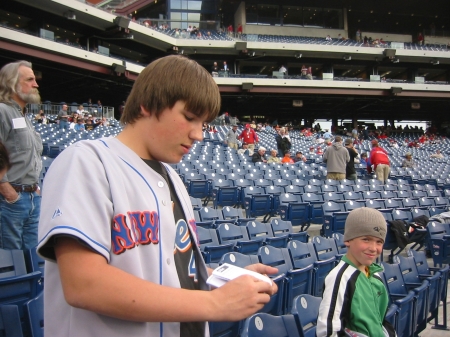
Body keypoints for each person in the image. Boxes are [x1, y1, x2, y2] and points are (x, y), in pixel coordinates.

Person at [37, 55, 277, 337]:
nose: (199, 134)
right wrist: (213, 303)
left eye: (203, 123)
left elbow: (179, 273)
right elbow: (83, 284)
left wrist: (224, 280)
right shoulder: (86, 161)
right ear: (148, 105)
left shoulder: (173, 178)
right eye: (189, 118)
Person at [316, 207, 395, 337]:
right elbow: (327, 332)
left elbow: (379, 322)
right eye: (366, 239)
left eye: (379, 242)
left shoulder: (374, 274)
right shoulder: (340, 277)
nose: (373, 248)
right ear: (348, 240)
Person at [0, 60, 43, 250]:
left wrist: (35, 189)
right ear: (12, 83)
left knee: (33, 258)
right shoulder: (3, 111)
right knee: (13, 263)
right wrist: (6, 189)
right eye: (30, 79)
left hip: (31, 197)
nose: (36, 84)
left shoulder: (24, 115)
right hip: (12, 199)